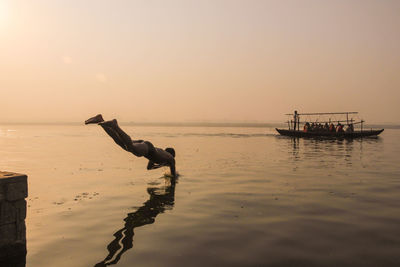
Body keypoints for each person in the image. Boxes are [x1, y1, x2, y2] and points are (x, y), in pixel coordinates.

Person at [85, 114, 176, 177]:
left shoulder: (162, 154)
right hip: (148, 148)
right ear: (172, 155)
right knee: (130, 147)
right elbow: (173, 176)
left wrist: (161, 166)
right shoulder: (171, 159)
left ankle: (100, 120)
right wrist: (164, 166)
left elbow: (149, 168)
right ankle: (115, 125)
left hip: (146, 147)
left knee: (120, 142)